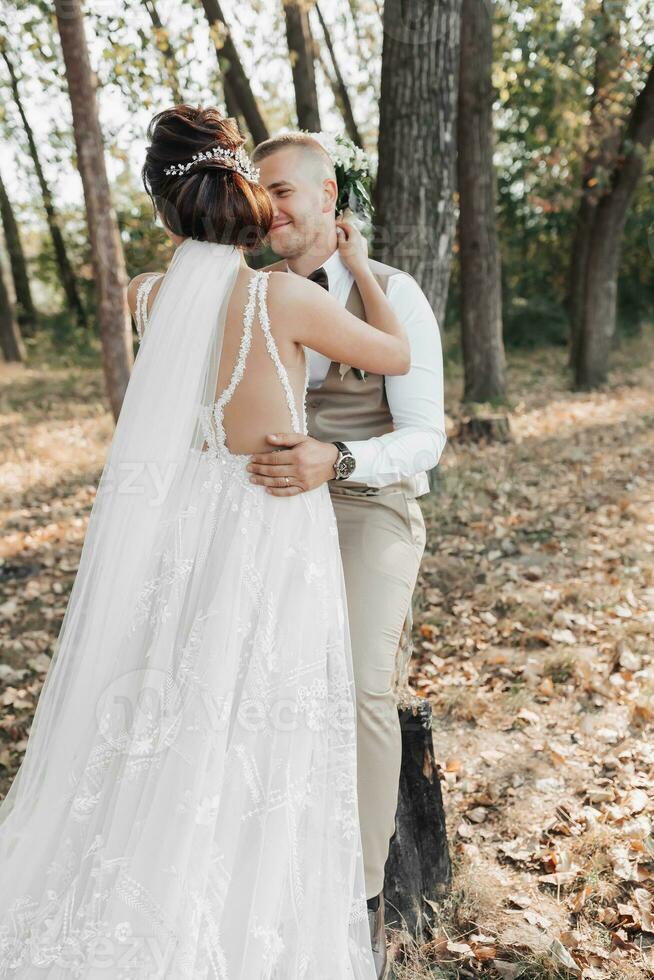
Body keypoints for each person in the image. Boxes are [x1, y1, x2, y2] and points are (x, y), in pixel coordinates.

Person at [0, 106, 410, 979]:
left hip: (191, 518)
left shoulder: (150, 296)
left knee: (184, 706)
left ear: (165, 207)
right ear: (248, 195)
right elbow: (396, 356)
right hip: (269, 521)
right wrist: (360, 265)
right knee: (265, 718)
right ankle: (246, 907)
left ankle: (158, 882)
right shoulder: (286, 296)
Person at [249, 132, 447, 979]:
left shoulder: (394, 293)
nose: (270, 208)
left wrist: (344, 461)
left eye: (284, 191)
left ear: (330, 198)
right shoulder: (249, 296)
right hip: (276, 509)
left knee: (363, 681)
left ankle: (363, 895)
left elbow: (427, 436)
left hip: (371, 503)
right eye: (259, 194)